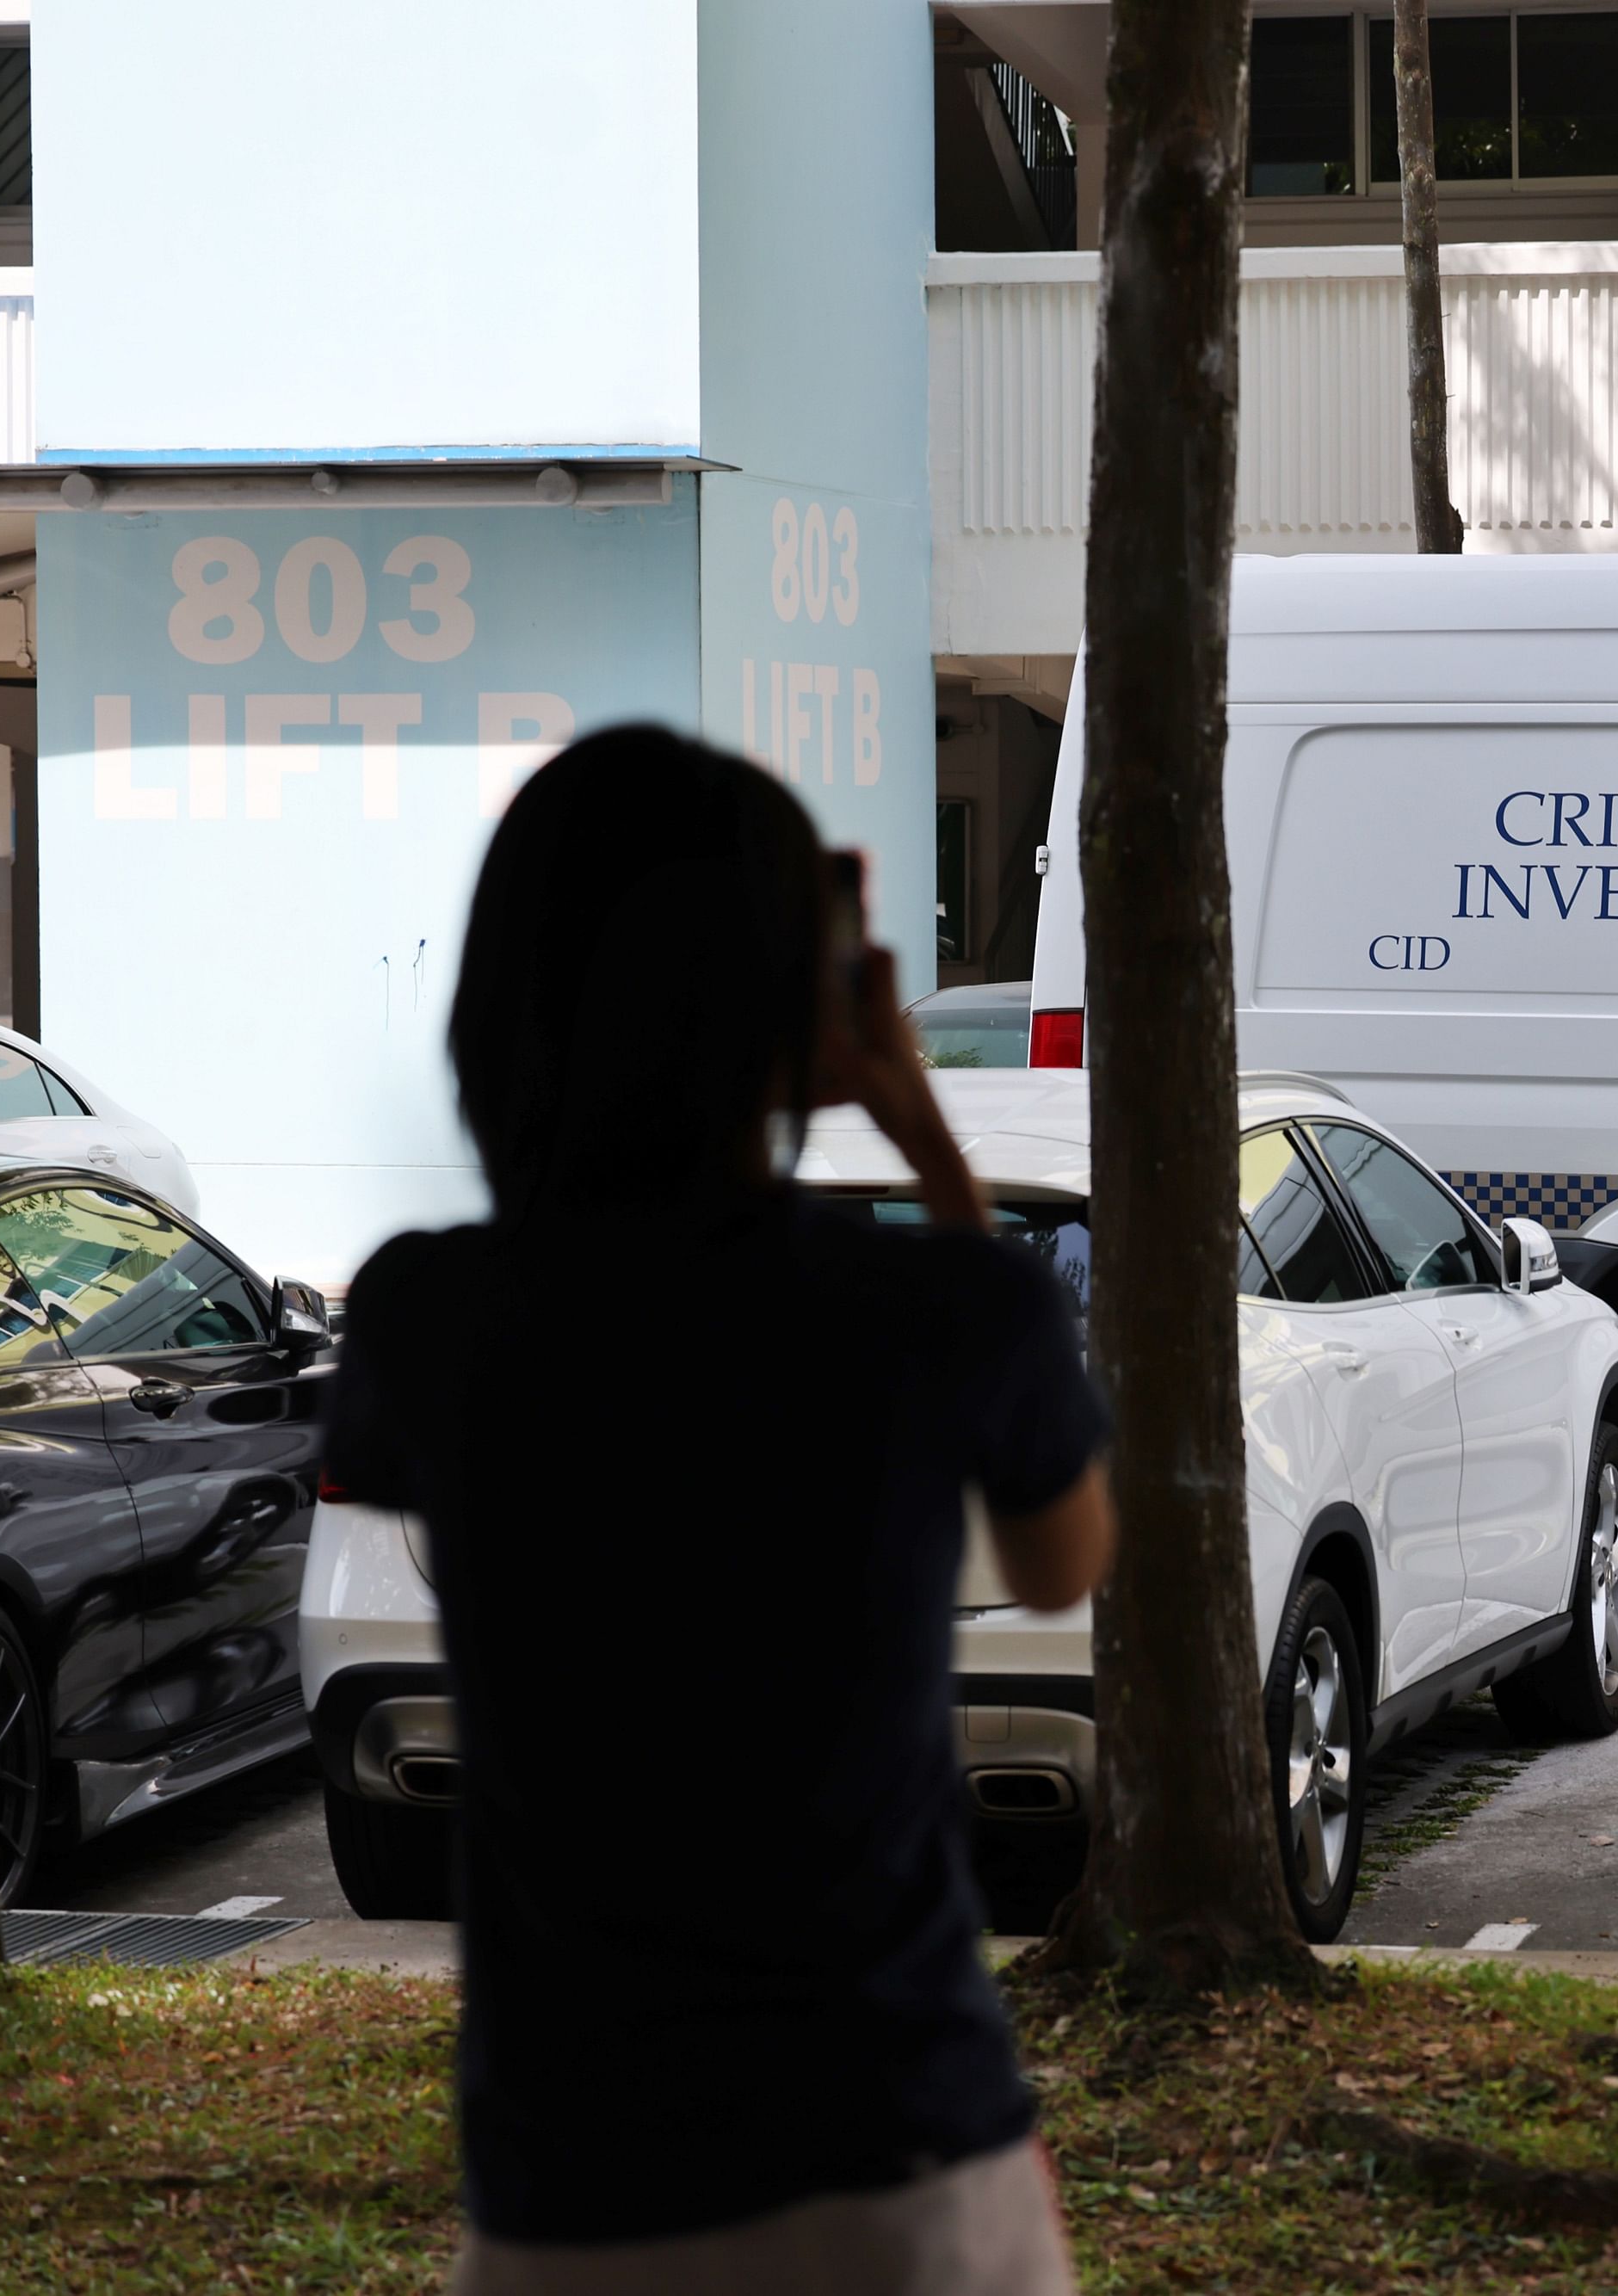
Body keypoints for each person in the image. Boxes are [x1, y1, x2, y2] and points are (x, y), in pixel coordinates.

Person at [328, 727, 1117, 2295]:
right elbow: (1058, 1559)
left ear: (507, 994)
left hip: (576, 2179)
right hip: (904, 2154)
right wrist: (912, 1114)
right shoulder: (937, 1311)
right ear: (796, 1000)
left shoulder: (428, 1315)